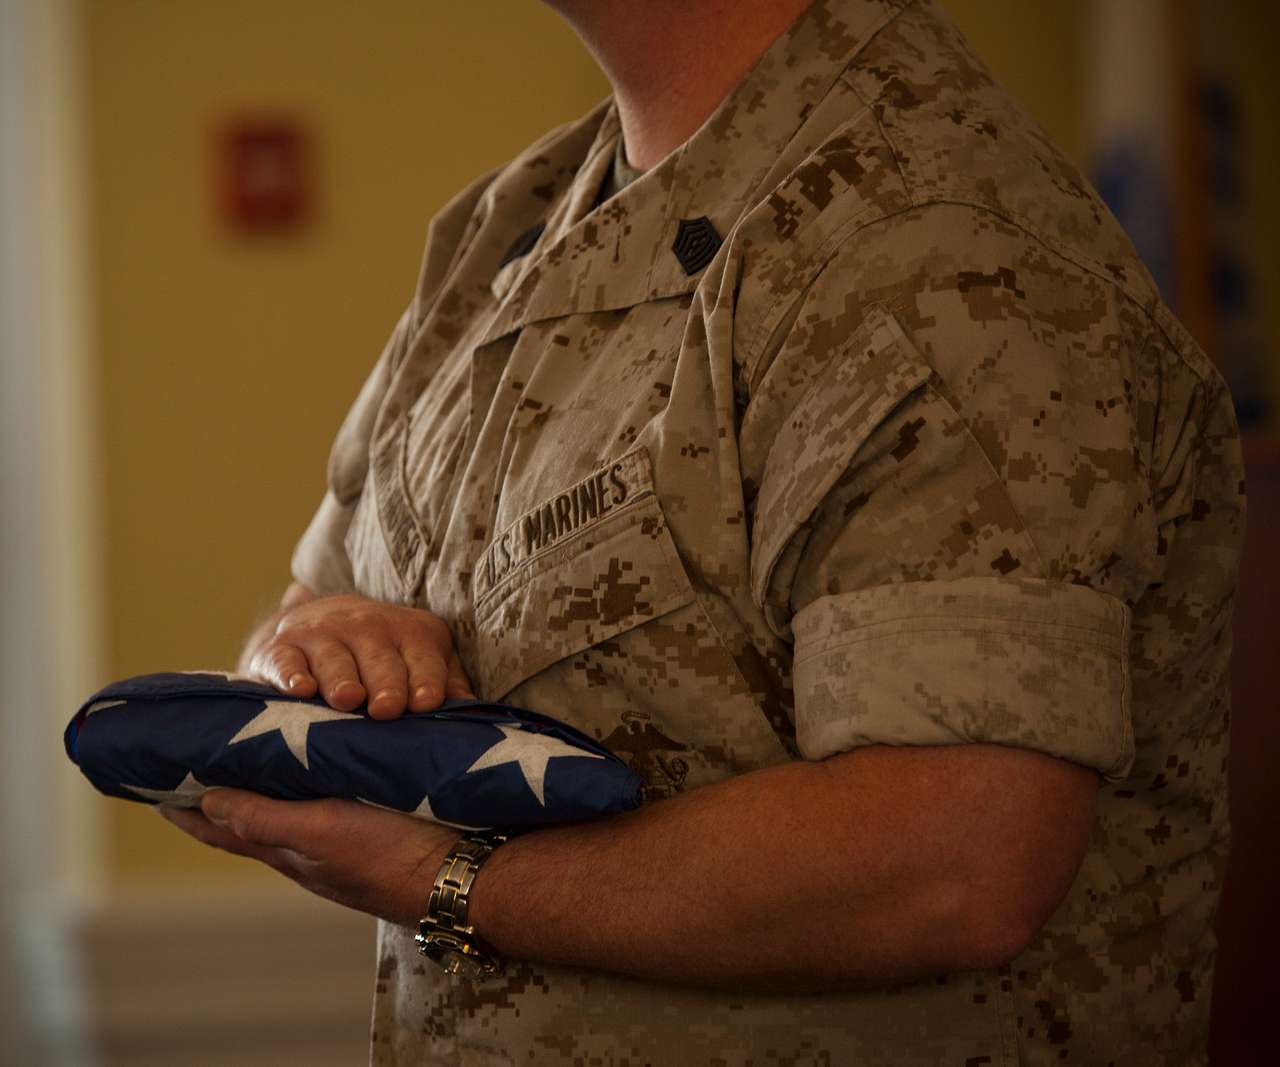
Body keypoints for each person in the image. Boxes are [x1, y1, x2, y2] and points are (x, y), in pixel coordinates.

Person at [160, 0, 1244, 1062]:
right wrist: (308, 648)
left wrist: (445, 881)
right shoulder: (516, 222)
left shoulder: (933, 250)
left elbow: (951, 865)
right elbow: (318, 597)